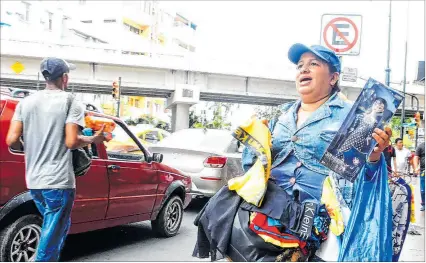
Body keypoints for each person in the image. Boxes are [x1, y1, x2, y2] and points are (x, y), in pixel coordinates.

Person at [242, 43, 392, 260]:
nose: (303, 69)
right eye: (300, 66)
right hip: (269, 217)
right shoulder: (281, 116)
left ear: (333, 78)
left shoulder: (356, 117)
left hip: (322, 231)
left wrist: (374, 155)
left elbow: (362, 178)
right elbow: (253, 168)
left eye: (313, 64)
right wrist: (255, 141)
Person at [6, 57, 109, 261]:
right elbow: (72, 142)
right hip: (58, 181)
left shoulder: (25, 103)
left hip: (34, 181)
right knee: (52, 233)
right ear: (65, 78)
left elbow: (12, 140)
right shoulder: (71, 102)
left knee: (58, 225)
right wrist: (94, 139)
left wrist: (32, 146)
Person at [414, 142, 425, 211]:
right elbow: (416, 157)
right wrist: (416, 168)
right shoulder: (421, 146)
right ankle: (424, 204)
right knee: (423, 189)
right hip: (423, 172)